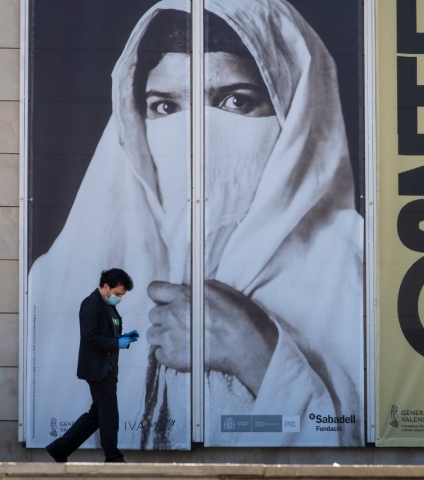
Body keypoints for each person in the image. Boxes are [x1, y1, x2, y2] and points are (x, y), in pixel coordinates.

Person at [28, 0, 363, 449]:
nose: (196, 136)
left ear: (294, 110)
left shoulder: (362, 278)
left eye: (236, 101)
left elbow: (376, 458)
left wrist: (258, 354)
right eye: (166, 107)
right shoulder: (61, 279)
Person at [45, 268, 139, 463]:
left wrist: (123, 339)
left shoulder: (108, 305)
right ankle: (113, 457)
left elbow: (106, 336)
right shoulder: (91, 303)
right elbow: (89, 337)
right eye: (118, 293)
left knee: (97, 414)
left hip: (107, 367)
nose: (120, 298)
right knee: (109, 414)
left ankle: (60, 448)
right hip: (98, 368)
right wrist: (116, 343)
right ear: (106, 287)